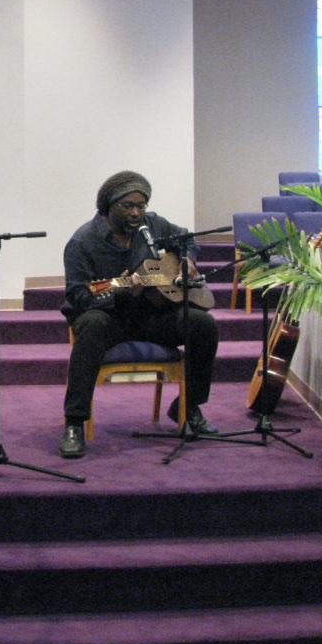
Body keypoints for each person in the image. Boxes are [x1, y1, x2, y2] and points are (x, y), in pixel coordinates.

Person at [58, 170, 219, 458]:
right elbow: (78, 296)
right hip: (109, 318)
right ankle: (74, 423)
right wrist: (118, 291)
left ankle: (188, 407)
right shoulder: (83, 242)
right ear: (108, 206)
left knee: (202, 324)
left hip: (151, 315)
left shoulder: (154, 225)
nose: (136, 213)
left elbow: (188, 240)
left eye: (140, 206)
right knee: (92, 325)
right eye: (127, 206)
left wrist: (186, 260)